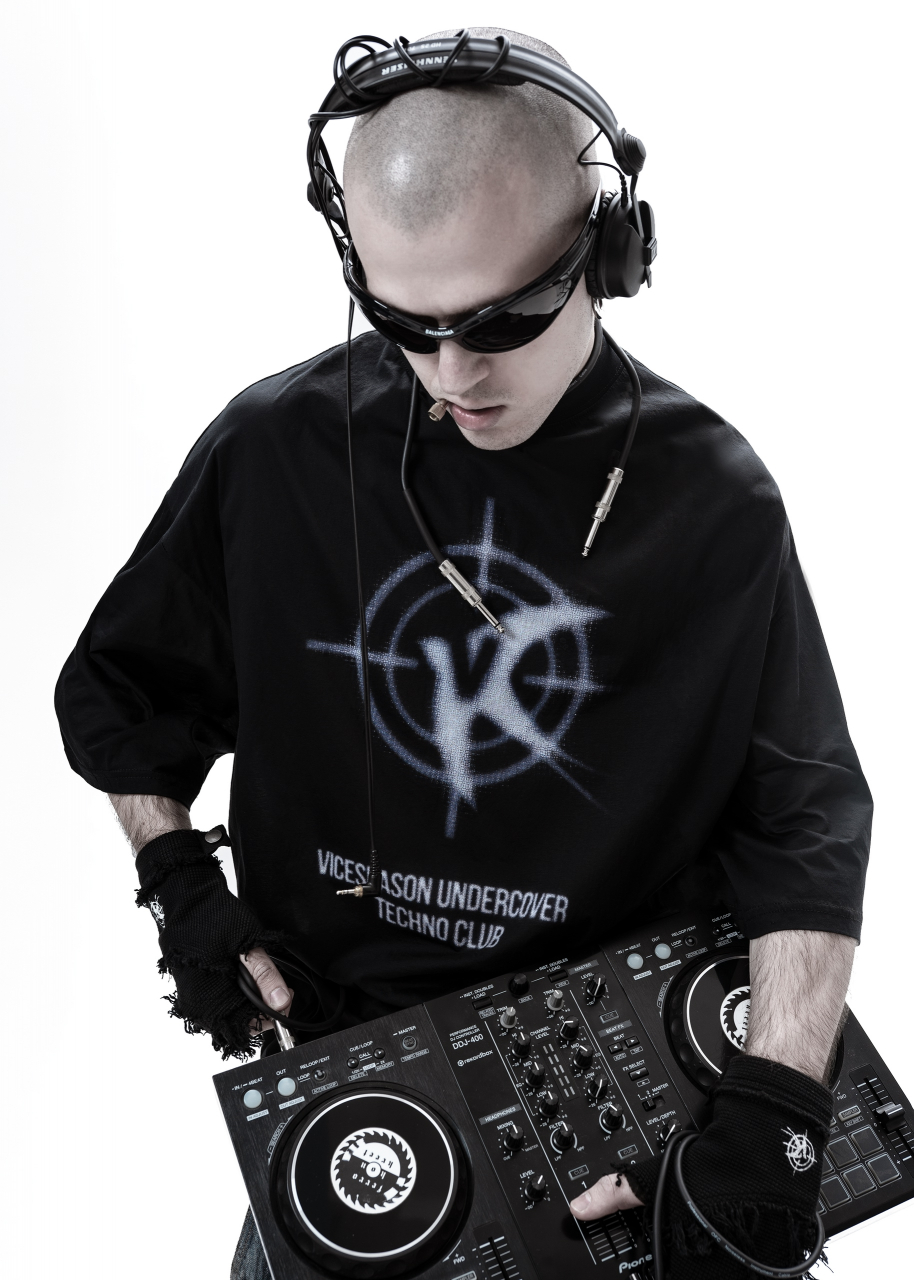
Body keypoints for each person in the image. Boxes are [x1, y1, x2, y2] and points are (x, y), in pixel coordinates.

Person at [55, 25, 871, 1280]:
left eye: (500, 319)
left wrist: (775, 1110)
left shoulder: (716, 499)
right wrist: (176, 878)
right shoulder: (271, 449)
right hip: (357, 1086)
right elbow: (126, 693)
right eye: (405, 321)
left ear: (608, 252)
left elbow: (800, 825)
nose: (452, 372)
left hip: (632, 1099)